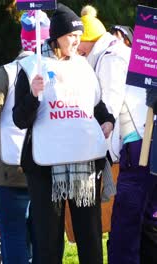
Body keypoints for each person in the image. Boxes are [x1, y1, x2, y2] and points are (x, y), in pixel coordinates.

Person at [12, 4, 115, 263]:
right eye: (71, 35)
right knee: (48, 240)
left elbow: (96, 105)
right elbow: (20, 119)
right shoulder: (30, 66)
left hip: (84, 163)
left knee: (90, 237)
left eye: (79, 36)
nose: (77, 40)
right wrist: (34, 95)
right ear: (56, 35)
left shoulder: (83, 66)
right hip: (45, 167)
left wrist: (108, 121)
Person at [77, 5, 156, 264]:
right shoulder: (121, 52)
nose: (78, 51)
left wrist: (98, 135)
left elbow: (109, 102)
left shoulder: (111, 58)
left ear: (88, 42)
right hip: (145, 142)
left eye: (81, 45)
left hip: (137, 146)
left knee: (126, 225)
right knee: (146, 222)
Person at [0, 10, 50, 264]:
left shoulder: (7, 72)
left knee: (14, 239)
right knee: (44, 240)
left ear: (21, 37)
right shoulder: (60, 71)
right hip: (50, 166)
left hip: (10, 167)